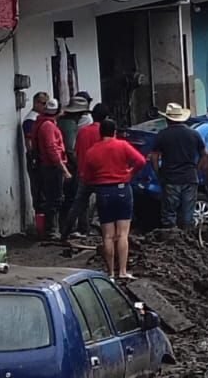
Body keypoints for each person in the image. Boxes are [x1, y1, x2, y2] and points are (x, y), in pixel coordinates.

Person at [81, 119, 144, 279]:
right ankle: (122, 271)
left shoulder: (92, 151)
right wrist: (129, 173)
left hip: (103, 192)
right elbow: (141, 161)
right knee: (123, 234)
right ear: (114, 131)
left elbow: (86, 176)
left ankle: (110, 273)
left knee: (107, 235)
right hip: (122, 189)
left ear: (100, 132)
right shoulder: (122, 145)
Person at [149, 103, 206, 229]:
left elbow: (154, 157)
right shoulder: (194, 134)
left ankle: (171, 241)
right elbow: (204, 155)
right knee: (187, 215)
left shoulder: (162, 135)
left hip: (170, 179)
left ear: (168, 119)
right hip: (190, 178)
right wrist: (196, 169)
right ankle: (186, 239)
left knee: (169, 215)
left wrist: (158, 173)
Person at [63, 103, 109, 241]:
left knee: (79, 204)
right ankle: (99, 230)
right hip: (100, 175)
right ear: (106, 117)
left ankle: (72, 230)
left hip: (83, 172)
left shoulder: (83, 131)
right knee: (103, 204)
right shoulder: (105, 132)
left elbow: (75, 151)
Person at [32, 98, 71, 238]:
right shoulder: (48, 126)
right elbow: (52, 150)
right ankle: (52, 230)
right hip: (51, 167)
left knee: (53, 198)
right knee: (54, 199)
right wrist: (64, 169)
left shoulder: (44, 123)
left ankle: (53, 229)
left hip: (49, 165)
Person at [57, 95, 90, 238]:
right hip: (70, 165)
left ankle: (67, 227)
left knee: (70, 198)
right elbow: (70, 149)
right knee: (73, 197)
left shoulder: (63, 122)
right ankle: (67, 228)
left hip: (64, 164)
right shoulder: (70, 125)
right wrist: (78, 164)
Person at [22, 91, 50, 211]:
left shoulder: (41, 119)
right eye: (44, 103)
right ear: (36, 103)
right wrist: (33, 157)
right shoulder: (30, 120)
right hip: (35, 157)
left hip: (43, 156)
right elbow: (29, 142)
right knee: (38, 189)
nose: (45, 107)